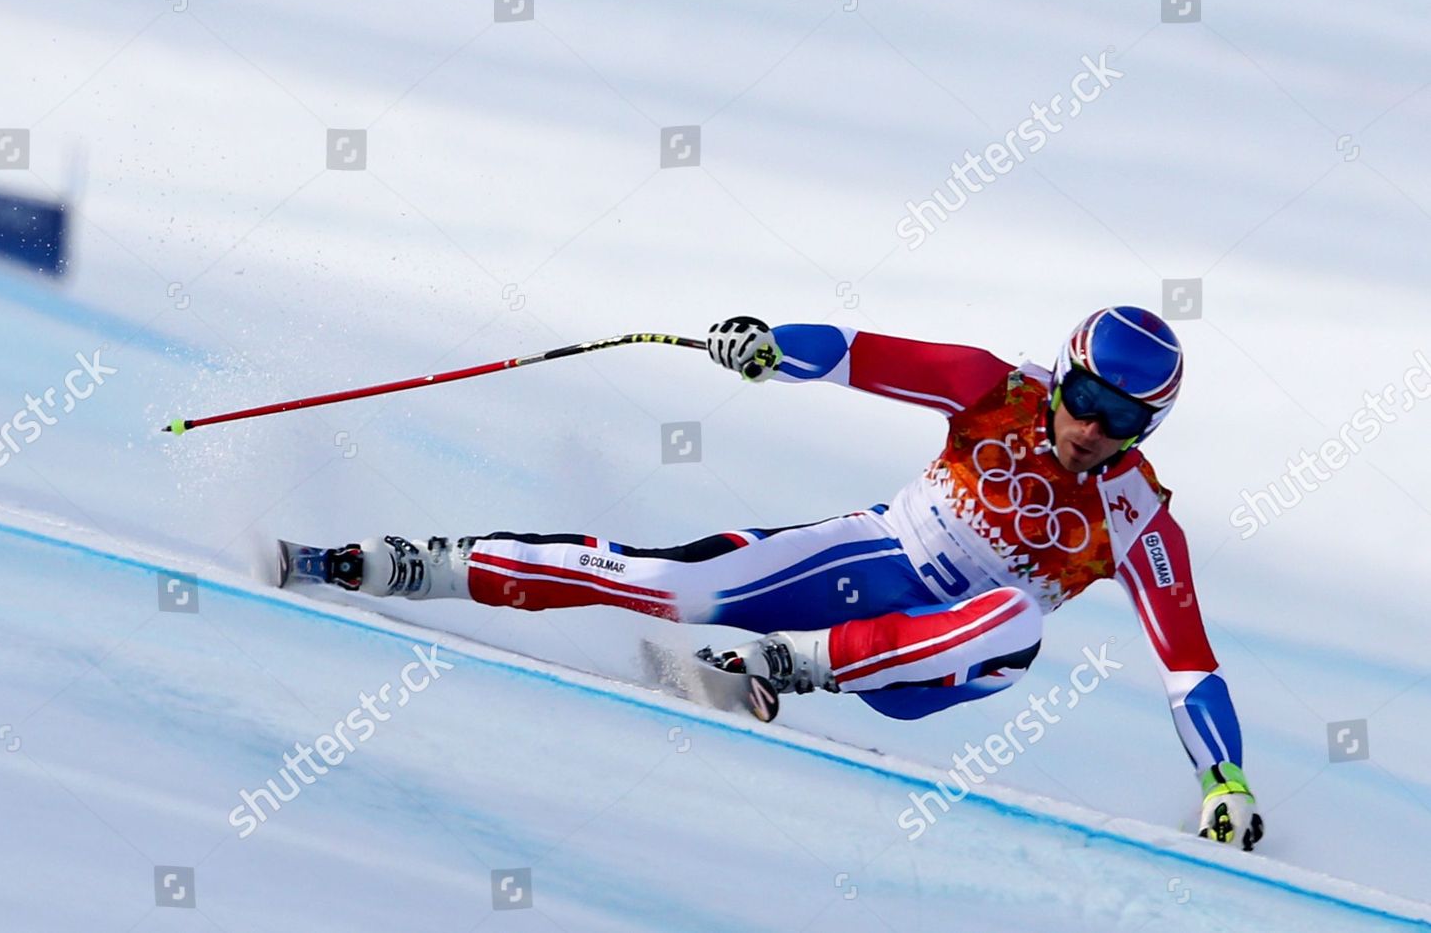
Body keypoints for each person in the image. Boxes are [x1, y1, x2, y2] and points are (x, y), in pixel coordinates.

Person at [291, 306, 1263, 850]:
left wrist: (1226, 782)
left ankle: (780, 666)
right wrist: (765, 350)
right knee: (665, 585)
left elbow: (1189, 667)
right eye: (1086, 398)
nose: (1092, 427)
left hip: (939, 662)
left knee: (1017, 619)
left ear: (1147, 431)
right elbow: (849, 355)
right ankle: (405, 564)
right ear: (1061, 378)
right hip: (877, 555)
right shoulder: (991, 388)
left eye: (1122, 419)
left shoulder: (1138, 512)